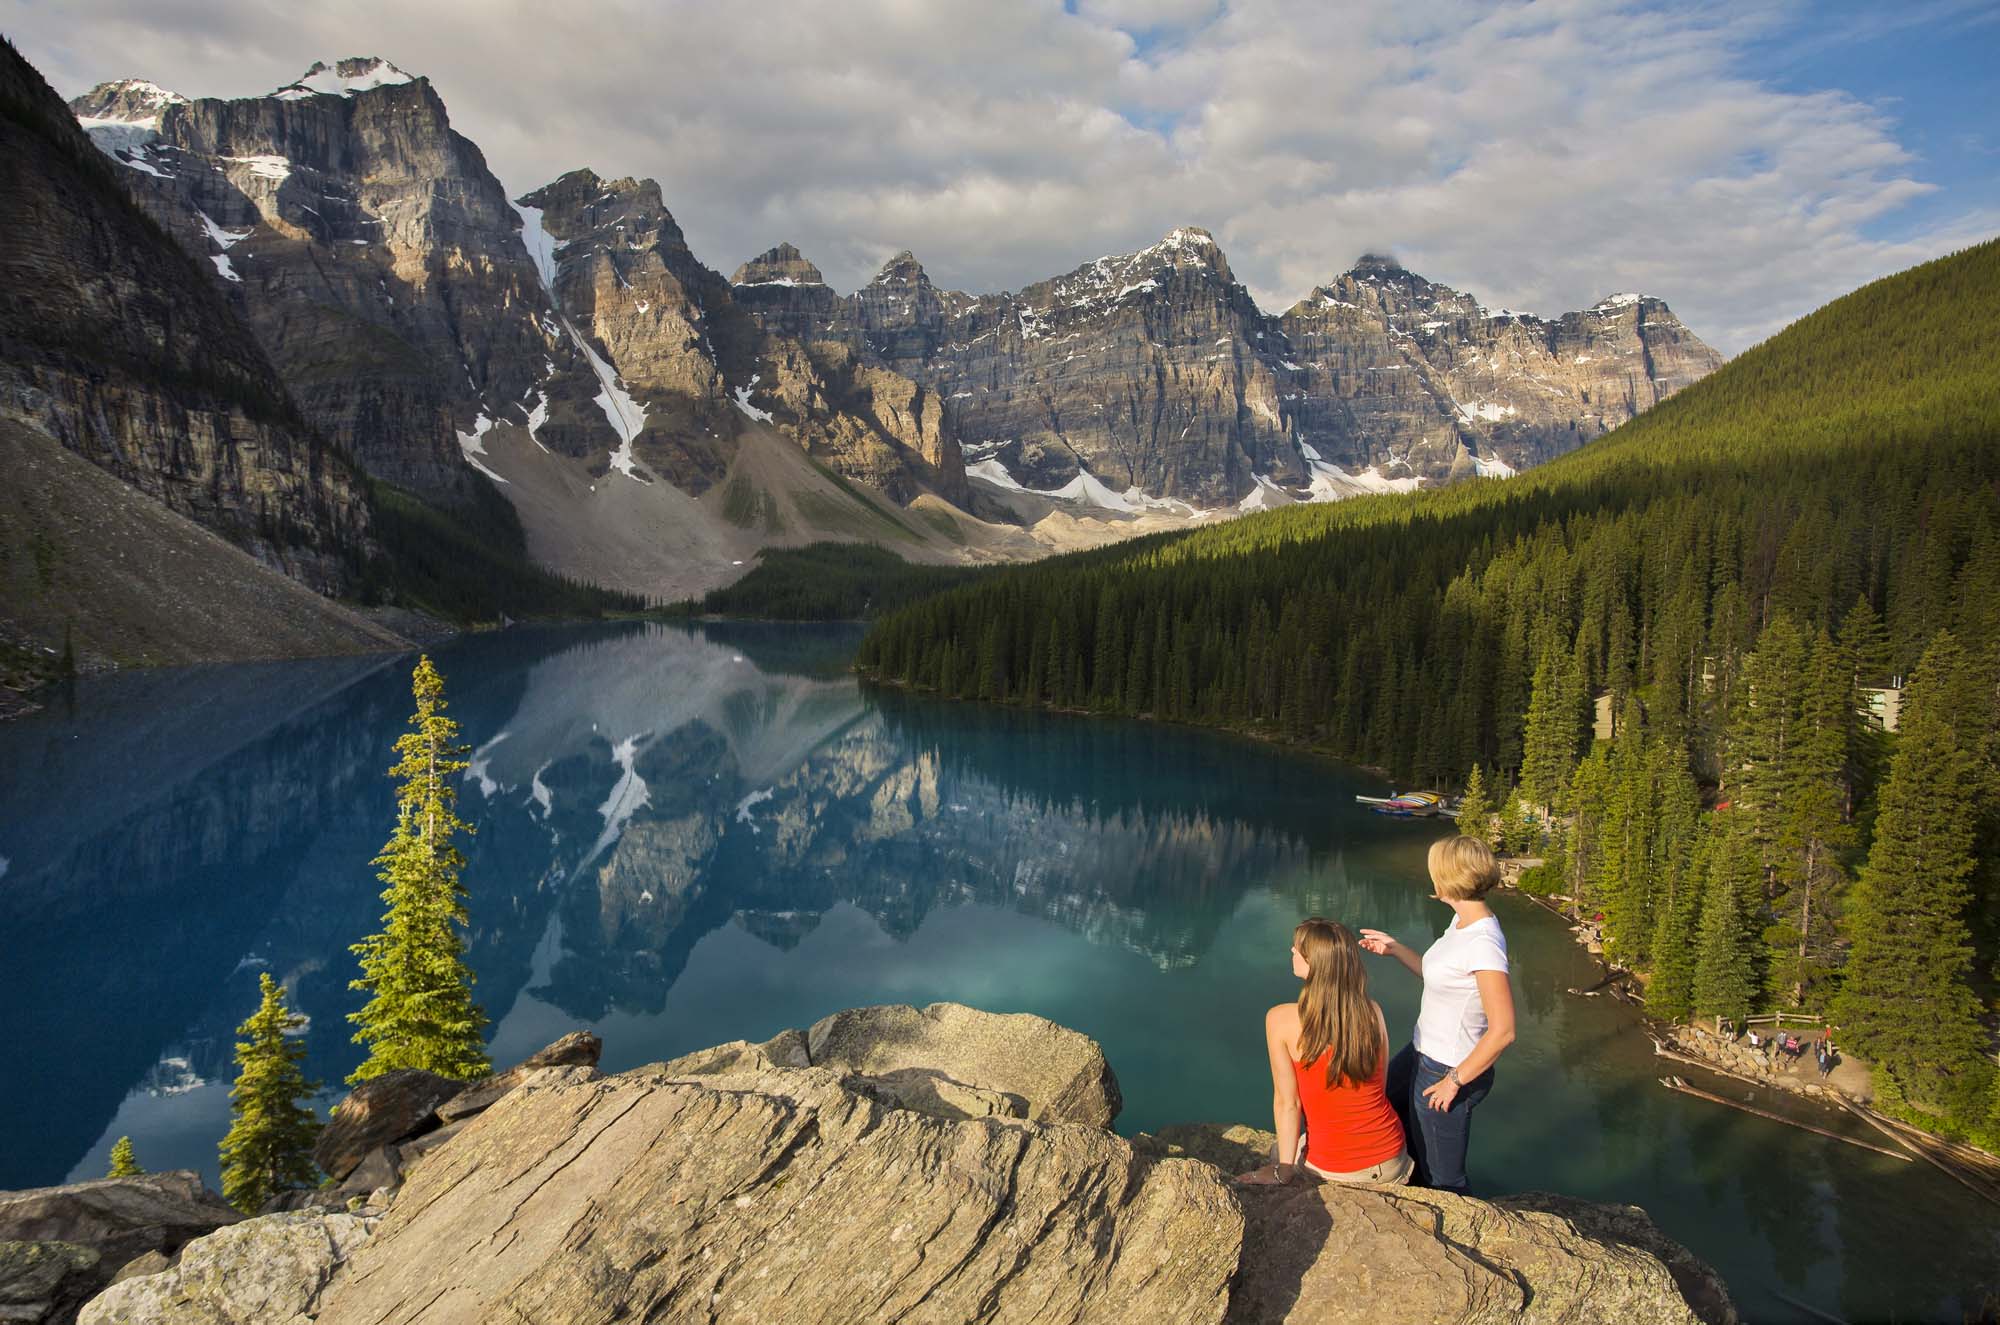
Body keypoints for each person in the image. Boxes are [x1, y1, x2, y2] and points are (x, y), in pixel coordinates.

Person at [1359, 835, 1516, 1194]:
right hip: (1421, 1051)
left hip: (1449, 1067)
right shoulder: (1462, 924)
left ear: (1448, 878)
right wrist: (1395, 949)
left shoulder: (1484, 944)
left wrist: (1454, 1081)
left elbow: (1504, 1030)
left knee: (1443, 1175)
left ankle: (1450, 1236)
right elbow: (1444, 976)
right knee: (1387, 1115)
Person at [1237, 918, 1413, 1186]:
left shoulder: (1281, 1020)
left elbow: (1288, 1104)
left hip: (1338, 1168)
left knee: (1278, 1151)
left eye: (1298, 948)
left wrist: (1283, 1171)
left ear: (1314, 962)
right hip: (1392, 1158)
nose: (1292, 951)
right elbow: (1379, 1086)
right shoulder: (1372, 1011)